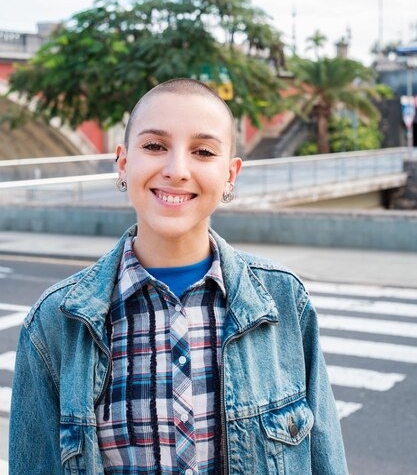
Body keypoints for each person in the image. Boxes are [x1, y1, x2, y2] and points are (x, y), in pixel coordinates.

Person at [9, 78, 349, 474]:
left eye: (203, 151)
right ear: (122, 162)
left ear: (230, 175)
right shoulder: (54, 324)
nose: (177, 170)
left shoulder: (283, 302)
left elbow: (327, 461)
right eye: (154, 146)